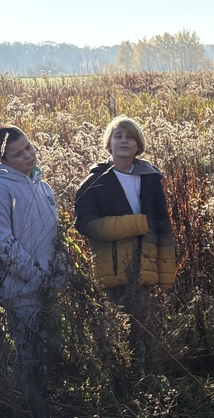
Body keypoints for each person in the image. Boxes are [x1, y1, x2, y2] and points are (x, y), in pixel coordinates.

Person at [74, 116, 175, 367]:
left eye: (130, 137)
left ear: (138, 144)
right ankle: (120, 380)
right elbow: (85, 224)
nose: (124, 141)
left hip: (145, 262)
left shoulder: (150, 177)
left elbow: (163, 226)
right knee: (118, 325)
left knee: (143, 325)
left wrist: (166, 270)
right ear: (108, 143)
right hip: (113, 266)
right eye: (118, 136)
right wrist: (135, 224)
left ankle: (144, 376)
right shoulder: (94, 182)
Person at [0, 125, 66, 401]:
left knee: (54, 351)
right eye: (17, 154)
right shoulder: (3, 189)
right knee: (30, 357)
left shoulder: (42, 185)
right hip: (22, 291)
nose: (28, 156)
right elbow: (3, 244)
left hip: (49, 285)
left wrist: (60, 271)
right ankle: (27, 407)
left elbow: (56, 235)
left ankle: (56, 403)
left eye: (28, 147)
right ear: (3, 161)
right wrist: (37, 276)